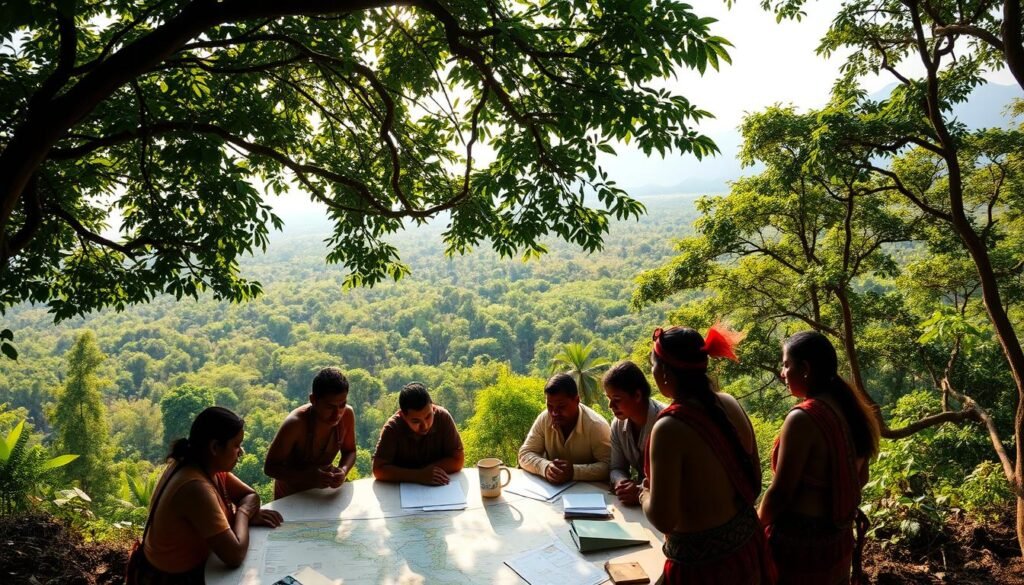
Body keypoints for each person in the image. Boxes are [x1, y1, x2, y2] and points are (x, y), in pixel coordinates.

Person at [640, 325, 774, 584]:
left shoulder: (669, 428)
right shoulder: (729, 403)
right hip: (747, 550)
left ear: (666, 373)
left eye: (653, 365)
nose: (652, 372)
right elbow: (754, 480)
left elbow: (664, 519)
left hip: (703, 569)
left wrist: (644, 494)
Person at [759, 331, 880, 585]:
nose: (782, 373)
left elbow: (780, 493)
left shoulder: (803, 418)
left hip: (801, 550)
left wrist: (755, 528)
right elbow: (862, 478)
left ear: (805, 368)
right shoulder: (850, 408)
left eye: (786, 365)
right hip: (837, 543)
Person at [129, 407, 283, 583]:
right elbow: (234, 555)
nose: (241, 452)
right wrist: (244, 514)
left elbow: (249, 496)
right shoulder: (195, 487)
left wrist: (244, 510)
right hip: (174, 579)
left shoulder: (205, 465)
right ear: (215, 447)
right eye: (236, 445)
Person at [264, 367, 357, 499]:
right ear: (313, 400)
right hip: (290, 497)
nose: (337, 414)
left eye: (342, 404)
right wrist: (307, 478)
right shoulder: (295, 424)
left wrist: (343, 471)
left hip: (324, 494)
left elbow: (350, 451)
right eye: (330, 407)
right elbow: (270, 468)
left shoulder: (347, 414)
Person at [518, 372, 611, 484]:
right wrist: (545, 467)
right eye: (549, 406)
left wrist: (574, 472)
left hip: (590, 494)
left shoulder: (596, 426)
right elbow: (525, 453)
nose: (554, 413)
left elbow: (609, 466)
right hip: (552, 492)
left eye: (561, 407)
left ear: (577, 401)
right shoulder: (544, 418)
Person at [372, 382, 465, 485]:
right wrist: (418, 475)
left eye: (428, 417)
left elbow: (458, 460)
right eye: (416, 421)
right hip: (402, 493)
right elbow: (378, 470)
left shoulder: (443, 417)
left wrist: (429, 472)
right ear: (402, 416)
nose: (424, 426)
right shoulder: (392, 428)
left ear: (433, 407)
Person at [603, 360, 665, 505]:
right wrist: (621, 482)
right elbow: (617, 467)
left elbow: (671, 482)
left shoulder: (665, 424)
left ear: (637, 395)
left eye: (616, 399)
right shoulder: (618, 425)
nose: (610, 405)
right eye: (609, 398)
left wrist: (638, 491)